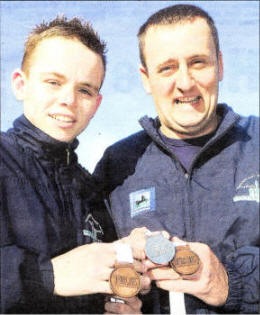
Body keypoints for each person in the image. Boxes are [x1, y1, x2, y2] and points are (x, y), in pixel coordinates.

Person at [93, 4, 259, 314]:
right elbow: (88, 264)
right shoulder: (116, 165)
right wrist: (112, 299)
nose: (185, 82)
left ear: (220, 65)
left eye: (198, 62)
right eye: (167, 68)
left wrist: (230, 282)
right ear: (145, 78)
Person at [0, 16, 149, 314]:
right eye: (53, 82)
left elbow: (97, 280)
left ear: (96, 103)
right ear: (20, 84)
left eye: (85, 90)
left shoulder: (91, 188)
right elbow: (61, 276)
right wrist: (50, 275)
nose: (68, 99)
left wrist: (119, 297)